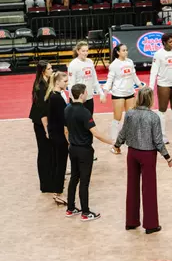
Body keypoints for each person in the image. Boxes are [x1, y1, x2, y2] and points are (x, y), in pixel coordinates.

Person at [114, 88, 172, 234]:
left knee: (132, 187)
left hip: (132, 153)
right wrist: (168, 158)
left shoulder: (130, 113)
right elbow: (158, 141)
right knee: (149, 189)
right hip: (148, 155)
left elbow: (123, 132)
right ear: (150, 99)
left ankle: (131, 221)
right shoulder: (154, 117)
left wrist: (117, 145)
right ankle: (151, 224)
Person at [64, 84, 115, 221]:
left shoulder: (67, 109)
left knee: (74, 178)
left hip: (73, 148)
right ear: (81, 95)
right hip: (84, 150)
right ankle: (85, 213)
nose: (87, 94)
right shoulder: (85, 112)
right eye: (86, 92)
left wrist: (71, 143)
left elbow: (66, 130)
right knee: (84, 182)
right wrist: (113, 142)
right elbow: (96, 134)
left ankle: (70, 208)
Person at [103, 43, 145, 140]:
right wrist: (104, 94)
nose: (126, 52)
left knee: (130, 117)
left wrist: (140, 87)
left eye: (126, 50)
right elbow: (109, 80)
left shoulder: (130, 62)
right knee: (117, 118)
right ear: (118, 52)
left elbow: (134, 76)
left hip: (130, 93)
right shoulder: (114, 65)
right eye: (123, 50)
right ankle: (114, 140)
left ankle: (130, 138)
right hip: (118, 94)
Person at [45, 71, 70, 205]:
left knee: (58, 164)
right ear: (58, 82)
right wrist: (68, 137)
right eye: (65, 81)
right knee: (61, 165)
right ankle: (58, 193)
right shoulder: (57, 98)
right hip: (59, 135)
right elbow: (63, 120)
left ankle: (56, 190)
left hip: (54, 134)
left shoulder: (53, 95)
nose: (67, 83)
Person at [29, 61, 53, 193]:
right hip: (40, 123)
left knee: (48, 152)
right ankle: (45, 184)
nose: (52, 70)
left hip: (43, 121)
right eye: (49, 68)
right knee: (44, 152)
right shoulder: (40, 86)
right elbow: (43, 110)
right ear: (43, 71)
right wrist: (47, 129)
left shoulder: (46, 82)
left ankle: (49, 178)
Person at [68, 41, 106, 116]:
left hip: (89, 98)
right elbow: (71, 84)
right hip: (78, 99)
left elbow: (94, 80)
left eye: (87, 51)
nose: (85, 53)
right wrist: (74, 99)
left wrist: (101, 93)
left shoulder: (90, 62)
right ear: (78, 51)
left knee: (88, 122)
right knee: (78, 124)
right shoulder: (73, 65)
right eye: (83, 51)